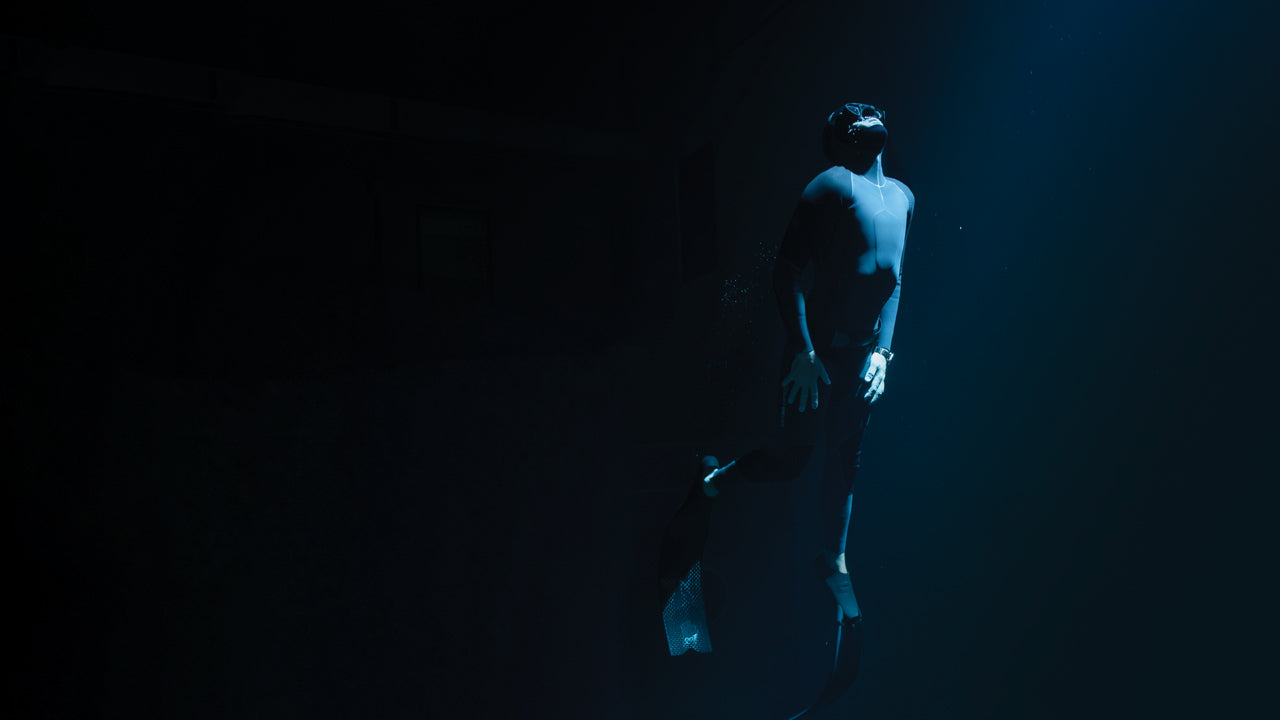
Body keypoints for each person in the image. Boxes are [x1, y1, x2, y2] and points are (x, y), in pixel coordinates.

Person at [659, 101, 914, 628]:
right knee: (793, 459)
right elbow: (786, 271)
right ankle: (714, 480)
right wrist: (802, 349)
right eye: (855, 114)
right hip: (814, 355)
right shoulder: (831, 185)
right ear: (844, 136)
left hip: (861, 356)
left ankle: (834, 558)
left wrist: (884, 354)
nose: (868, 112)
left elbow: (894, 283)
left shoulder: (905, 197)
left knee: (845, 460)